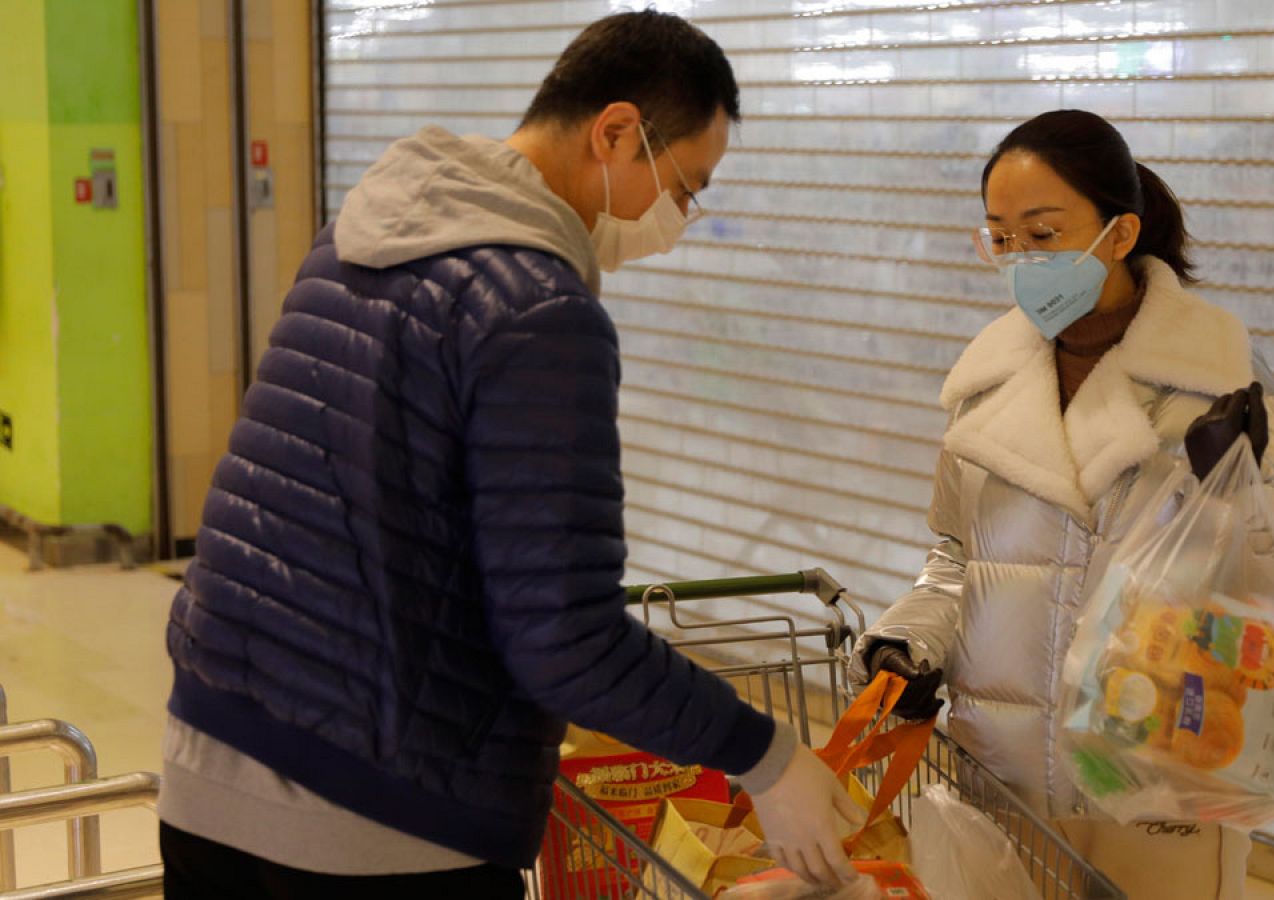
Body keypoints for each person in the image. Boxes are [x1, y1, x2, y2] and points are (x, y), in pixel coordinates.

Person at [158, 12, 861, 898]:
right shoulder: (540, 311)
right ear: (613, 132)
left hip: (206, 770)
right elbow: (564, 639)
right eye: (684, 185)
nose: (675, 219)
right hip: (371, 827)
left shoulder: (358, 239)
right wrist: (766, 759)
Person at [849, 110, 1274, 900]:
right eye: (1001, 237)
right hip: (1002, 779)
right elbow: (959, 560)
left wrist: (1244, 492)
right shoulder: (985, 387)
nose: (1020, 261)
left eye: (1043, 234)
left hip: (1156, 786)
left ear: (1119, 233)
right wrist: (905, 644)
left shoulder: (1222, 380)